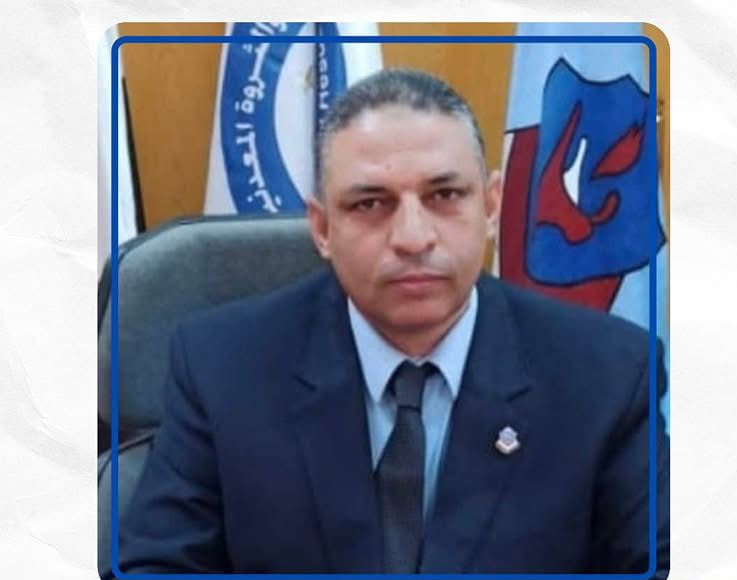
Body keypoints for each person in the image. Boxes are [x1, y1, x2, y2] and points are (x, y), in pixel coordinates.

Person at [116, 68, 670, 575]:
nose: (412, 237)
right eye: (370, 203)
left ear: (491, 206)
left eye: (445, 195)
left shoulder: (608, 376)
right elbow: (158, 566)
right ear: (322, 228)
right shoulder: (222, 367)